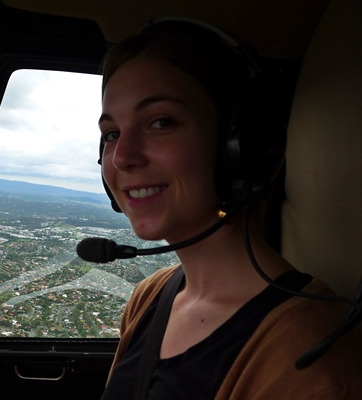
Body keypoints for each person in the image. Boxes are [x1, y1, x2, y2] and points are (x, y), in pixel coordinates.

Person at [97, 20, 362, 399]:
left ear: (240, 146)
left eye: (161, 122)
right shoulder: (151, 296)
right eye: (111, 134)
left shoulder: (310, 362)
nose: (122, 157)